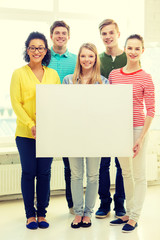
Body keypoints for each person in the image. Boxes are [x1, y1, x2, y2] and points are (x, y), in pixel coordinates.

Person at [10, 32, 60, 230]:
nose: (36, 51)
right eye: (32, 47)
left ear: (46, 51)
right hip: (25, 133)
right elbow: (16, 103)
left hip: (48, 133)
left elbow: (57, 103)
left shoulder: (53, 75)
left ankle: (42, 213)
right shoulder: (18, 74)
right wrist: (31, 124)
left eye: (40, 48)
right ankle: (30, 215)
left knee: (45, 173)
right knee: (29, 172)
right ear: (27, 50)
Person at [109, 34, 155, 232]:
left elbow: (151, 110)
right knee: (126, 173)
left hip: (138, 130)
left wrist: (141, 138)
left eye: (137, 48)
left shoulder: (146, 77)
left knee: (139, 175)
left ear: (142, 51)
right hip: (119, 130)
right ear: (125, 49)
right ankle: (128, 212)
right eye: (130, 48)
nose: (133, 52)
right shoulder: (114, 75)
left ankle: (135, 216)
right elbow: (109, 105)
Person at [63, 43, 108, 228]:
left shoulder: (103, 82)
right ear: (78, 59)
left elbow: (106, 111)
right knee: (75, 175)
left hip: (95, 136)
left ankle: (88, 213)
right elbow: (64, 108)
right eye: (83, 56)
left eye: (91, 56)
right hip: (73, 135)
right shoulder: (68, 80)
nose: (87, 60)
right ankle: (78, 212)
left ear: (95, 59)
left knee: (92, 176)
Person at [95, 19, 127, 219]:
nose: (107, 37)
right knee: (103, 164)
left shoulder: (129, 57)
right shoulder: (97, 59)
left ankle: (120, 204)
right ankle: (104, 203)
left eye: (110, 33)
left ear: (118, 33)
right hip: (102, 120)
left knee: (122, 165)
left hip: (123, 119)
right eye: (104, 34)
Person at [48, 20, 77, 214]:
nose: (60, 36)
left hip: (69, 119)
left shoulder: (76, 59)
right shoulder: (43, 57)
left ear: (68, 36)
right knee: (44, 165)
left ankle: (72, 204)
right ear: (51, 36)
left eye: (64, 33)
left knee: (70, 166)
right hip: (47, 117)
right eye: (57, 33)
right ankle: (41, 208)